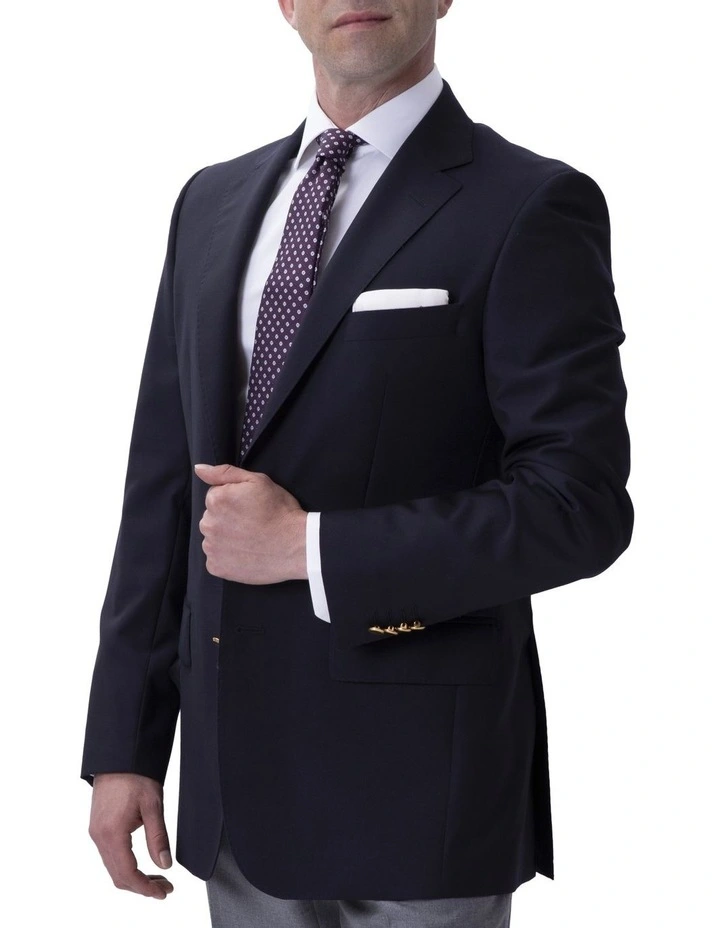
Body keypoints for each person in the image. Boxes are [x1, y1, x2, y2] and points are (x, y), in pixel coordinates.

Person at [81, 2, 634, 925]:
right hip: (235, 788)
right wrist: (124, 744)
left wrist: (310, 547)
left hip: (422, 791)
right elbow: (163, 490)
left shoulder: (530, 202)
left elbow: (578, 504)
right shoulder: (210, 202)